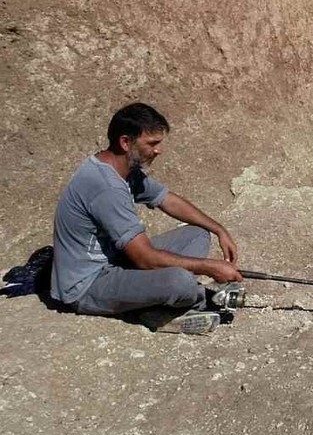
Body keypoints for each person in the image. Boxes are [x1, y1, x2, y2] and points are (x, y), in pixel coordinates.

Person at [50, 103, 243, 334]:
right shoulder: (106, 187)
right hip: (86, 285)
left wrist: (219, 229)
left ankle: (154, 299)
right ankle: (156, 312)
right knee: (179, 282)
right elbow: (145, 259)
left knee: (198, 233)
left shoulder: (124, 171)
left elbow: (167, 200)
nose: (158, 150)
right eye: (152, 143)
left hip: (117, 262)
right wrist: (209, 267)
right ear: (125, 142)